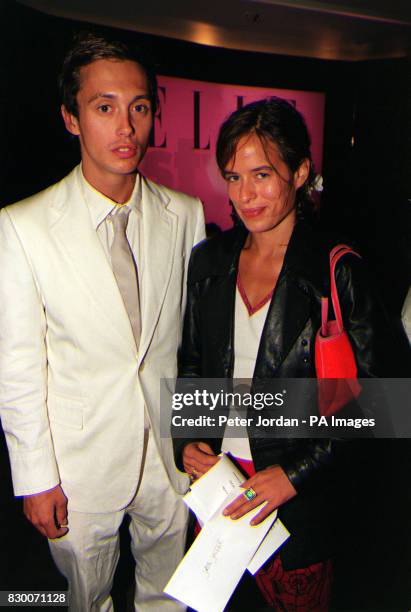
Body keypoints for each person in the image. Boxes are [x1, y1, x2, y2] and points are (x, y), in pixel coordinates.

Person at [0, 32, 205, 611]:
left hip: (169, 455)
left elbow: (192, 341)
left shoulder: (185, 214)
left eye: (139, 107)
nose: (125, 126)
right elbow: (18, 365)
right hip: (78, 462)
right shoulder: (23, 226)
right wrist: (34, 476)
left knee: (169, 592)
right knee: (84, 597)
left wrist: (197, 430)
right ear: (71, 118)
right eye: (104, 107)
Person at [173, 97, 389, 610]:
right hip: (218, 494)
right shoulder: (210, 260)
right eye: (232, 176)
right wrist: (185, 440)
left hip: (300, 509)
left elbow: (380, 406)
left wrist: (294, 475)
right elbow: (193, 365)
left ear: (300, 172)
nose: (245, 195)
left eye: (262, 174)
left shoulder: (337, 270)